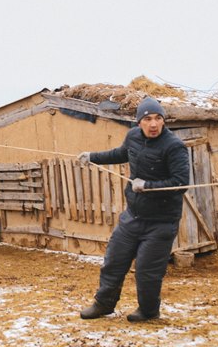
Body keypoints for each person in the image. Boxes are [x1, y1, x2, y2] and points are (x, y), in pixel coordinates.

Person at [77, 96, 192, 322]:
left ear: (164, 120)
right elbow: (120, 154)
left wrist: (148, 186)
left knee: (147, 271)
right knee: (113, 261)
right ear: (139, 122)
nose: (153, 124)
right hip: (133, 216)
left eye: (158, 118)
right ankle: (104, 304)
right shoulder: (133, 137)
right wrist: (92, 157)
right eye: (148, 119)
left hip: (161, 221)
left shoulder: (174, 146)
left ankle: (149, 312)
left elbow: (181, 183)